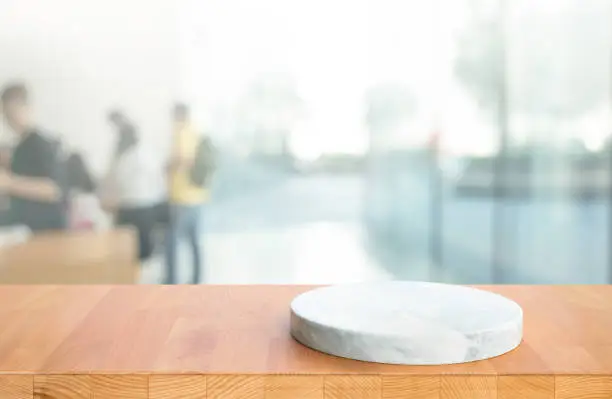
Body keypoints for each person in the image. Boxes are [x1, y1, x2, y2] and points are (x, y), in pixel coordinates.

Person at [0, 83, 67, 232]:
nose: (8, 119)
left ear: (27, 107)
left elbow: (54, 189)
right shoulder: (18, 147)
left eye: (12, 112)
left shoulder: (42, 144)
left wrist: (9, 182)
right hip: (25, 228)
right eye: (5, 114)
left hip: (47, 232)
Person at [101, 110, 165, 262]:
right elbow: (158, 181)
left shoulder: (123, 157)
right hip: (146, 208)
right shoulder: (148, 154)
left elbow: (114, 181)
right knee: (143, 254)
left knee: (128, 255)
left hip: (129, 208)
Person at [165, 103, 209, 284]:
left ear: (178, 114)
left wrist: (168, 167)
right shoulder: (196, 132)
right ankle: (197, 280)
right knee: (194, 242)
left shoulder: (180, 131)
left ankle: (171, 281)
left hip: (181, 197)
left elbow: (183, 158)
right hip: (198, 196)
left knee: (172, 242)